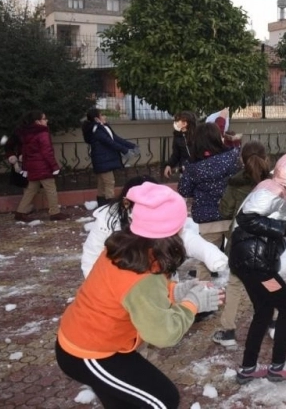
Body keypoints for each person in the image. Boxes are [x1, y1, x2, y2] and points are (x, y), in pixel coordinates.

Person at [56, 182, 223, 409]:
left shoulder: (128, 247)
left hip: (96, 341)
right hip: (89, 352)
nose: (184, 230)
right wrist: (192, 303)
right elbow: (163, 334)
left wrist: (177, 291)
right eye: (181, 226)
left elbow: (136, 297)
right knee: (162, 401)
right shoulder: (143, 271)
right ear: (170, 233)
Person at [229, 151, 286, 384]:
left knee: (264, 310)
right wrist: (283, 229)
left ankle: (248, 367)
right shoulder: (273, 190)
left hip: (249, 263)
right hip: (258, 267)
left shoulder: (271, 187)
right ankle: (278, 366)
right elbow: (246, 218)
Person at [81, 175, 228, 280]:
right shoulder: (108, 221)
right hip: (122, 281)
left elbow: (185, 237)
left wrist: (210, 253)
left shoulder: (161, 214)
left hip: (159, 276)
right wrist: (94, 282)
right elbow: (92, 254)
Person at [211, 141, 272, 347]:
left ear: (241, 160)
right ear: (266, 159)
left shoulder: (234, 184)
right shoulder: (274, 185)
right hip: (265, 244)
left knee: (235, 285)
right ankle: (273, 321)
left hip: (240, 245)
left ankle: (228, 330)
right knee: (270, 282)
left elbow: (225, 212)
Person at [178, 122, 241, 282]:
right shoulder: (233, 158)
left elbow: (184, 190)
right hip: (232, 214)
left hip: (207, 219)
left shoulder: (193, 167)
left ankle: (203, 298)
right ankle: (238, 292)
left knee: (205, 258)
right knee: (239, 256)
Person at [8, 110, 68, 222]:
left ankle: (20, 212)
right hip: (43, 166)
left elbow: (25, 151)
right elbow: (47, 152)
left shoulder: (27, 133)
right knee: (51, 189)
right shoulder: (43, 133)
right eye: (44, 119)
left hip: (33, 166)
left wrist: (26, 166)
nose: (47, 120)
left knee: (31, 190)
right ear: (38, 121)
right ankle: (54, 212)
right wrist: (54, 167)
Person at [82, 108, 138, 207]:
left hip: (103, 161)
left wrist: (131, 146)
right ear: (96, 119)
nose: (105, 116)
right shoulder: (97, 131)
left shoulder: (103, 127)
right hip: (102, 161)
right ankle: (109, 207)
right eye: (102, 115)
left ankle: (102, 205)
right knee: (109, 183)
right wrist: (125, 150)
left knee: (102, 184)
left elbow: (115, 138)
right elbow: (110, 143)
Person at [163, 111, 197, 179]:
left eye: (177, 121)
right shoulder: (177, 137)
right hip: (184, 172)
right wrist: (169, 165)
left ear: (184, 123)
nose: (175, 123)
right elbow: (176, 155)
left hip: (198, 170)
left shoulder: (198, 135)